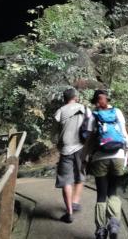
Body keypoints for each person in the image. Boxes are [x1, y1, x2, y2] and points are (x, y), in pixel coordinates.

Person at [84, 89, 128, 239]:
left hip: (100, 158)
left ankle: (100, 230)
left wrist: (84, 158)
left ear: (95, 101)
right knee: (113, 192)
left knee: (101, 195)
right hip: (118, 156)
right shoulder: (117, 112)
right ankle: (113, 224)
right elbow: (124, 134)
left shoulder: (93, 115)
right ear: (108, 99)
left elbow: (89, 140)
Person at [54, 87, 91, 223]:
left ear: (65, 98)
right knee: (80, 176)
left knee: (65, 180)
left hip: (66, 149)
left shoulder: (60, 111)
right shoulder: (85, 109)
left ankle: (69, 212)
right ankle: (75, 202)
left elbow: (56, 131)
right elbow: (91, 126)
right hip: (82, 148)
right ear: (75, 97)